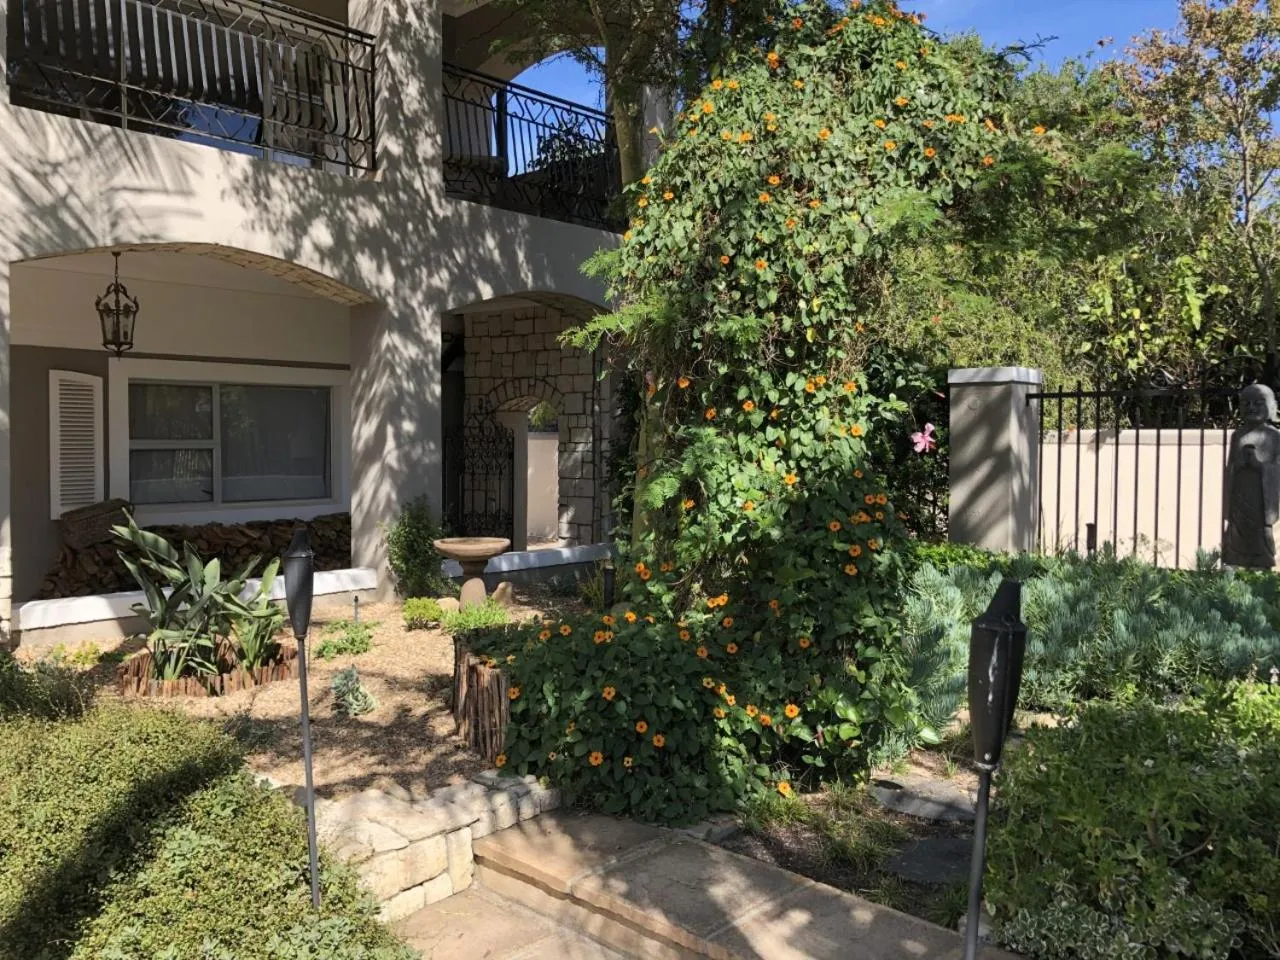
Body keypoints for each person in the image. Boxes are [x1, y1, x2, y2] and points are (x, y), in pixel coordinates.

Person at [1223, 384, 1280, 569]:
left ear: (1271, 406)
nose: (1252, 408)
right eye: (1246, 403)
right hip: (1240, 498)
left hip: (1260, 501)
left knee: (1260, 537)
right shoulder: (1237, 436)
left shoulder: (1274, 437)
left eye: (1258, 403)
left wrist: (1261, 466)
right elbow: (1230, 467)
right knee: (1235, 537)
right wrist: (1239, 466)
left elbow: (1277, 468)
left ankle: (1261, 572)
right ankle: (1233, 570)